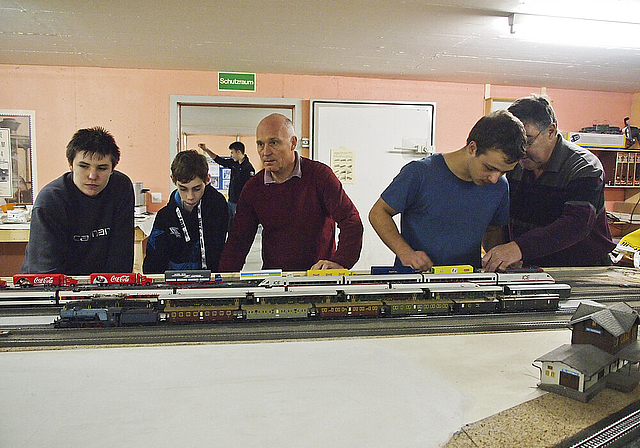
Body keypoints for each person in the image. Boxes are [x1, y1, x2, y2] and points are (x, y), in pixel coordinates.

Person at [369, 110, 526, 271]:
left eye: (502, 172)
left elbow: (493, 229)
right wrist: (405, 252)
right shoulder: (419, 173)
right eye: (489, 168)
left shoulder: (500, 186)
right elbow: (379, 213)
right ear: (472, 148)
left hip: (468, 282)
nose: (494, 178)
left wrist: (500, 259)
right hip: (415, 280)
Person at [482, 95, 616, 272]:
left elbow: (576, 224)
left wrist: (518, 248)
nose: (520, 151)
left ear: (551, 131)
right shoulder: (514, 164)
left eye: (527, 140)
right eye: (514, 142)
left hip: (584, 270)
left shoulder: (584, 167)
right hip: (532, 268)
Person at [218, 113, 363, 272]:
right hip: (275, 282)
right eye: (260, 144)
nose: (265, 152)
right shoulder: (253, 188)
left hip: (319, 278)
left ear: (293, 143)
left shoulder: (320, 176)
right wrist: (224, 283)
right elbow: (238, 241)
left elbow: (351, 220)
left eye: (273, 142)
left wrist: (341, 262)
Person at [21, 127, 134, 275]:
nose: (92, 176)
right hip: (52, 286)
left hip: (100, 287)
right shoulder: (51, 200)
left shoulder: (121, 188)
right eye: (83, 166)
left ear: (112, 169)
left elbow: (121, 259)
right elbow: (45, 272)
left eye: (102, 168)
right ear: (70, 165)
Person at [143, 150, 228, 273]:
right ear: (173, 180)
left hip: (210, 282)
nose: (190, 196)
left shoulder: (217, 206)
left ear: (207, 179)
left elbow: (220, 250)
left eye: (197, 188)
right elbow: (153, 260)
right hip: (173, 284)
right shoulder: (165, 216)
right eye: (183, 189)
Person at [198, 141, 255, 223]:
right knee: (228, 223)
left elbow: (250, 188)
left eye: (232, 152)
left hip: (240, 203)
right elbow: (219, 160)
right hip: (231, 201)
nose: (230, 155)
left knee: (238, 224)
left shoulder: (248, 168)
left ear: (238, 152)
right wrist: (206, 149)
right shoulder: (234, 164)